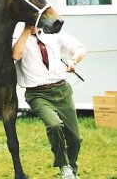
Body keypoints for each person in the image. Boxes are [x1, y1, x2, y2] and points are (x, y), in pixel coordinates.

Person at [12, 23, 86, 179]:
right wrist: (26, 31)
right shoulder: (17, 37)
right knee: (54, 125)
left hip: (62, 90)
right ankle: (64, 166)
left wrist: (73, 60)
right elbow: (15, 55)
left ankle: (71, 170)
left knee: (75, 138)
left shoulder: (54, 33)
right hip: (37, 94)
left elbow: (80, 49)